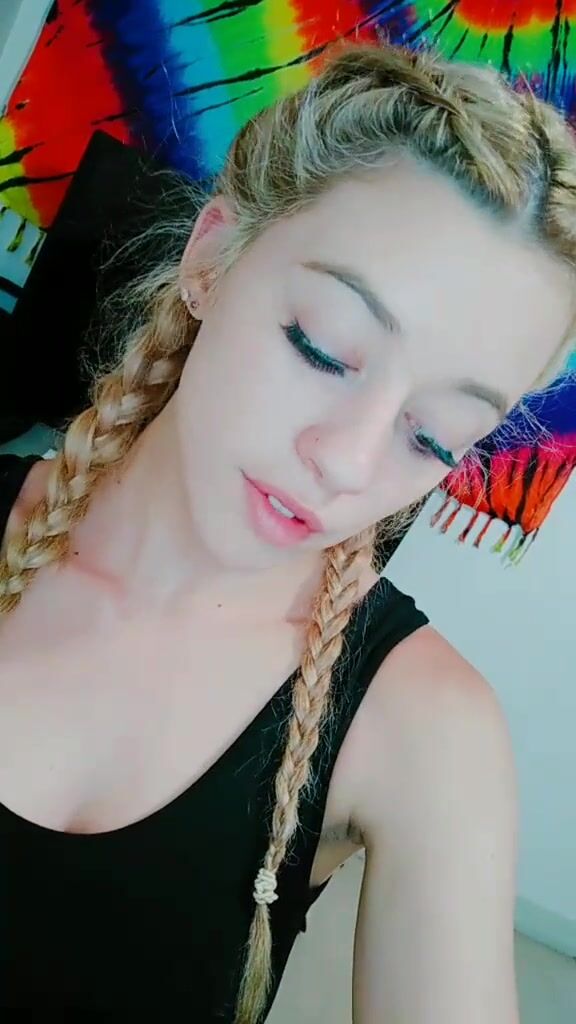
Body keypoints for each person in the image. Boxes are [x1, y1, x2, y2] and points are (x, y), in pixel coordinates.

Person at [0, 38, 574, 1023]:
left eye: (433, 436)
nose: (347, 464)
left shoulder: (426, 730)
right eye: (323, 348)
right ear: (212, 260)